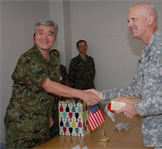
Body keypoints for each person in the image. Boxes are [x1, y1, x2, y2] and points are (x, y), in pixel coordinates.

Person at [87, 3, 162, 149]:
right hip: (161, 139)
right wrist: (102, 95)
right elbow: (137, 89)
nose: (129, 24)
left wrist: (138, 108)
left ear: (150, 20)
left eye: (134, 19)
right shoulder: (148, 50)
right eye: (128, 21)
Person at [4, 18, 101, 149]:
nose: (45, 37)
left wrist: (48, 114)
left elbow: (52, 90)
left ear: (55, 39)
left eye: (50, 34)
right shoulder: (29, 58)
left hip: (42, 122)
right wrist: (82, 94)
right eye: (40, 33)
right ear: (34, 37)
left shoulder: (54, 60)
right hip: (22, 124)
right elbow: (48, 85)